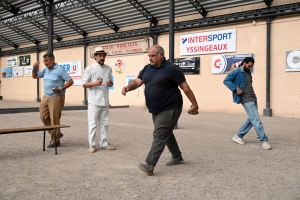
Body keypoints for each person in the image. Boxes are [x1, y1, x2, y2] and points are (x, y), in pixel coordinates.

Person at [122, 45, 199, 176]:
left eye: (152, 56)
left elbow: (185, 88)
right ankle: (177, 156)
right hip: (156, 109)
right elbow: (137, 81)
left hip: (170, 107)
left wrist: (194, 104)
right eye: (149, 56)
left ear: (161, 55)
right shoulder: (147, 69)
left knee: (159, 134)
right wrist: (128, 87)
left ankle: (150, 164)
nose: (150, 58)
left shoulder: (172, 69)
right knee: (166, 132)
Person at [223, 57, 272, 150]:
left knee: (252, 118)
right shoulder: (237, 71)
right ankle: (264, 140)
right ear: (244, 63)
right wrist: (236, 88)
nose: (250, 68)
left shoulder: (248, 72)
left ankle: (238, 135)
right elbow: (226, 81)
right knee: (256, 120)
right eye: (249, 66)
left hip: (253, 97)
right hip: (246, 99)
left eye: (251, 67)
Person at [32, 52, 74, 148]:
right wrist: (34, 68)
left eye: (46, 61)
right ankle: (57, 134)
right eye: (44, 61)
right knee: (44, 116)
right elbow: (35, 76)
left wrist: (61, 89)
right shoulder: (46, 70)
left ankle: (55, 140)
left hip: (56, 97)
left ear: (52, 60)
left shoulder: (60, 70)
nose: (45, 63)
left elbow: (71, 81)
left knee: (55, 119)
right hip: (46, 96)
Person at [82, 47, 115, 153]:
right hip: (94, 101)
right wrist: (94, 83)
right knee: (92, 124)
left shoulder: (108, 69)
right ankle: (92, 144)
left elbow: (110, 82)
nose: (102, 57)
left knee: (104, 123)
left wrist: (110, 84)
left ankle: (104, 143)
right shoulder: (89, 68)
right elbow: (84, 84)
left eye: (103, 55)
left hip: (105, 100)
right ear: (95, 56)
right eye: (99, 55)